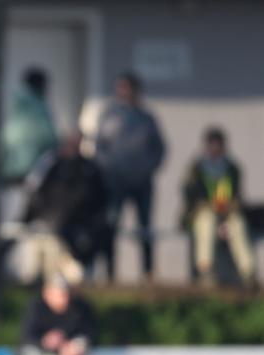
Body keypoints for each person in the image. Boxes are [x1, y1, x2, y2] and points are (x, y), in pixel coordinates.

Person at [95, 72, 166, 282]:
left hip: (142, 182)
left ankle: (148, 271)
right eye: (121, 88)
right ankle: (109, 271)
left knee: (145, 227)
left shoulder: (146, 119)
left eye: (128, 88)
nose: (124, 93)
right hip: (116, 182)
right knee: (112, 225)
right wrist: (110, 170)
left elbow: (159, 149)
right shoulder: (110, 116)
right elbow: (100, 148)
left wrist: (146, 169)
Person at [22, 132, 108, 282]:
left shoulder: (90, 169)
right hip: (51, 226)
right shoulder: (52, 164)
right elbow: (36, 193)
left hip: (79, 230)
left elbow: (100, 198)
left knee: (75, 274)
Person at [181, 127, 255, 288]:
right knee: (205, 224)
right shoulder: (197, 168)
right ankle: (205, 271)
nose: (215, 148)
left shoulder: (232, 168)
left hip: (227, 213)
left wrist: (230, 206)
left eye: (218, 145)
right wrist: (201, 206)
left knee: (238, 225)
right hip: (204, 212)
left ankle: (248, 272)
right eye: (212, 145)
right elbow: (189, 195)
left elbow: (237, 195)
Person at [0, 67, 58, 184]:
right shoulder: (37, 106)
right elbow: (48, 136)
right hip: (30, 167)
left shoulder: (18, 102)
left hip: (12, 165)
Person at [21, 274, 96, 355]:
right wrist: (45, 341)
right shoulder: (37, 308)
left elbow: (89, 333)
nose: (65, 299)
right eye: (61, 294)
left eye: (67, 293)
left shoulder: (80, 308)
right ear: (47, 293)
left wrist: (76, 345)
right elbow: (26, 337)